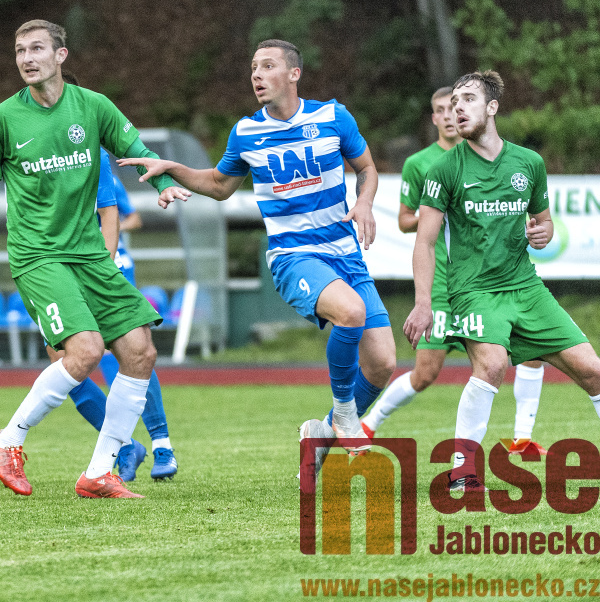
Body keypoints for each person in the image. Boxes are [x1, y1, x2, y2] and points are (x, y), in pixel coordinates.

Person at [120, 39, 396, 489]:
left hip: (346, 255)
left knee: (382, 363)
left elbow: (366, 168)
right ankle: (345, 416)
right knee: (351, 312)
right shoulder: (246, 132)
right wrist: (173, 168)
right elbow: (219, 184)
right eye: (253, 67)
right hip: (294, 256)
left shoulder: (333, 116)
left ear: (294, 73)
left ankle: (322, 434)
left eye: (267, 66)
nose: (256, 74)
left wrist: (364, 202)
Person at [0, 19, 189, 499]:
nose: (26, 58)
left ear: (61, 55)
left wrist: (165, 184)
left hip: (89, 255)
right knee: (85, 350)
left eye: (37, 48)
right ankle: (9, 439)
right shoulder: (3, 118)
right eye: (20, 50)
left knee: (140, 351)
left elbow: (136, 150)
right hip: (38, 256)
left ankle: (100, 471)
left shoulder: (93, 106)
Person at [403, 71, 600, 492]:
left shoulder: (529, 163)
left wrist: (542, 233)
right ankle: (462, 470)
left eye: (468, 99)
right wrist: (423, 303)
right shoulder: (443, 169)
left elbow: (543, 222)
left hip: (526, 288)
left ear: (492, 107)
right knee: (492, 365)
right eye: (454, 101)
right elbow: (425, 242)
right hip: (474, 291)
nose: (458, 108)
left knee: (594, 371)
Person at [363, 87, 547, 456]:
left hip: (492, 284)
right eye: (441, 109)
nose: (449, 114)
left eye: (455, 107)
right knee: (426, 373)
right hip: (445, 284)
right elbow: (404, 221)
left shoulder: (498, 160)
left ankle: (522, 439)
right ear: (434, 118)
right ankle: (369, 424)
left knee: (530, 351)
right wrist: (443, 207)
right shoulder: (423, 164)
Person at [55, 148, 178, 482]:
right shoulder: (37, 156)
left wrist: (99, 241)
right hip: (60, 268)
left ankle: (162, 444)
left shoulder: (91, 159)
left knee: (130, 353)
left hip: (107, 265)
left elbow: (128, 216)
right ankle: (125, 447)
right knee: (63, 363)